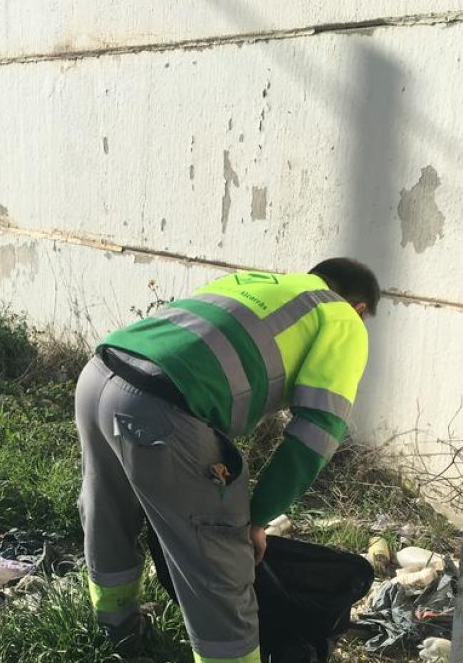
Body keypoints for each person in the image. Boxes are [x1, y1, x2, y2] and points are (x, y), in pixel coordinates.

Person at [76, 258, 378, 662]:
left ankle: (117, 634)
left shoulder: (260, 279)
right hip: (160, 409)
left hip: (99, 374)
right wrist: (258, 516)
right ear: (359, 308)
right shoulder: (341, 317)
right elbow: (316, 432)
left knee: (107, 514)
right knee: (217, 557)